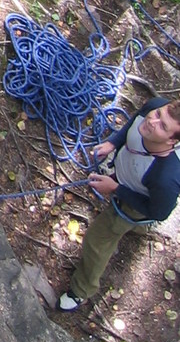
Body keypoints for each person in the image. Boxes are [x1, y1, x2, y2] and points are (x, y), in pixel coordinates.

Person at [58, 97, 180, 312]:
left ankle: (81, 290)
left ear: (172, 142)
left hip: (135, 201)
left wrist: (116, 189)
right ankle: (138, 228)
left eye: (163, 126)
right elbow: (135, 122)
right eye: (158, 114)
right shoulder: (154, 107)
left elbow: (159, 212)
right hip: (126, 177)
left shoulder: (165, 178)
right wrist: (113, 142)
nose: (152, 121)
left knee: (97, 241)